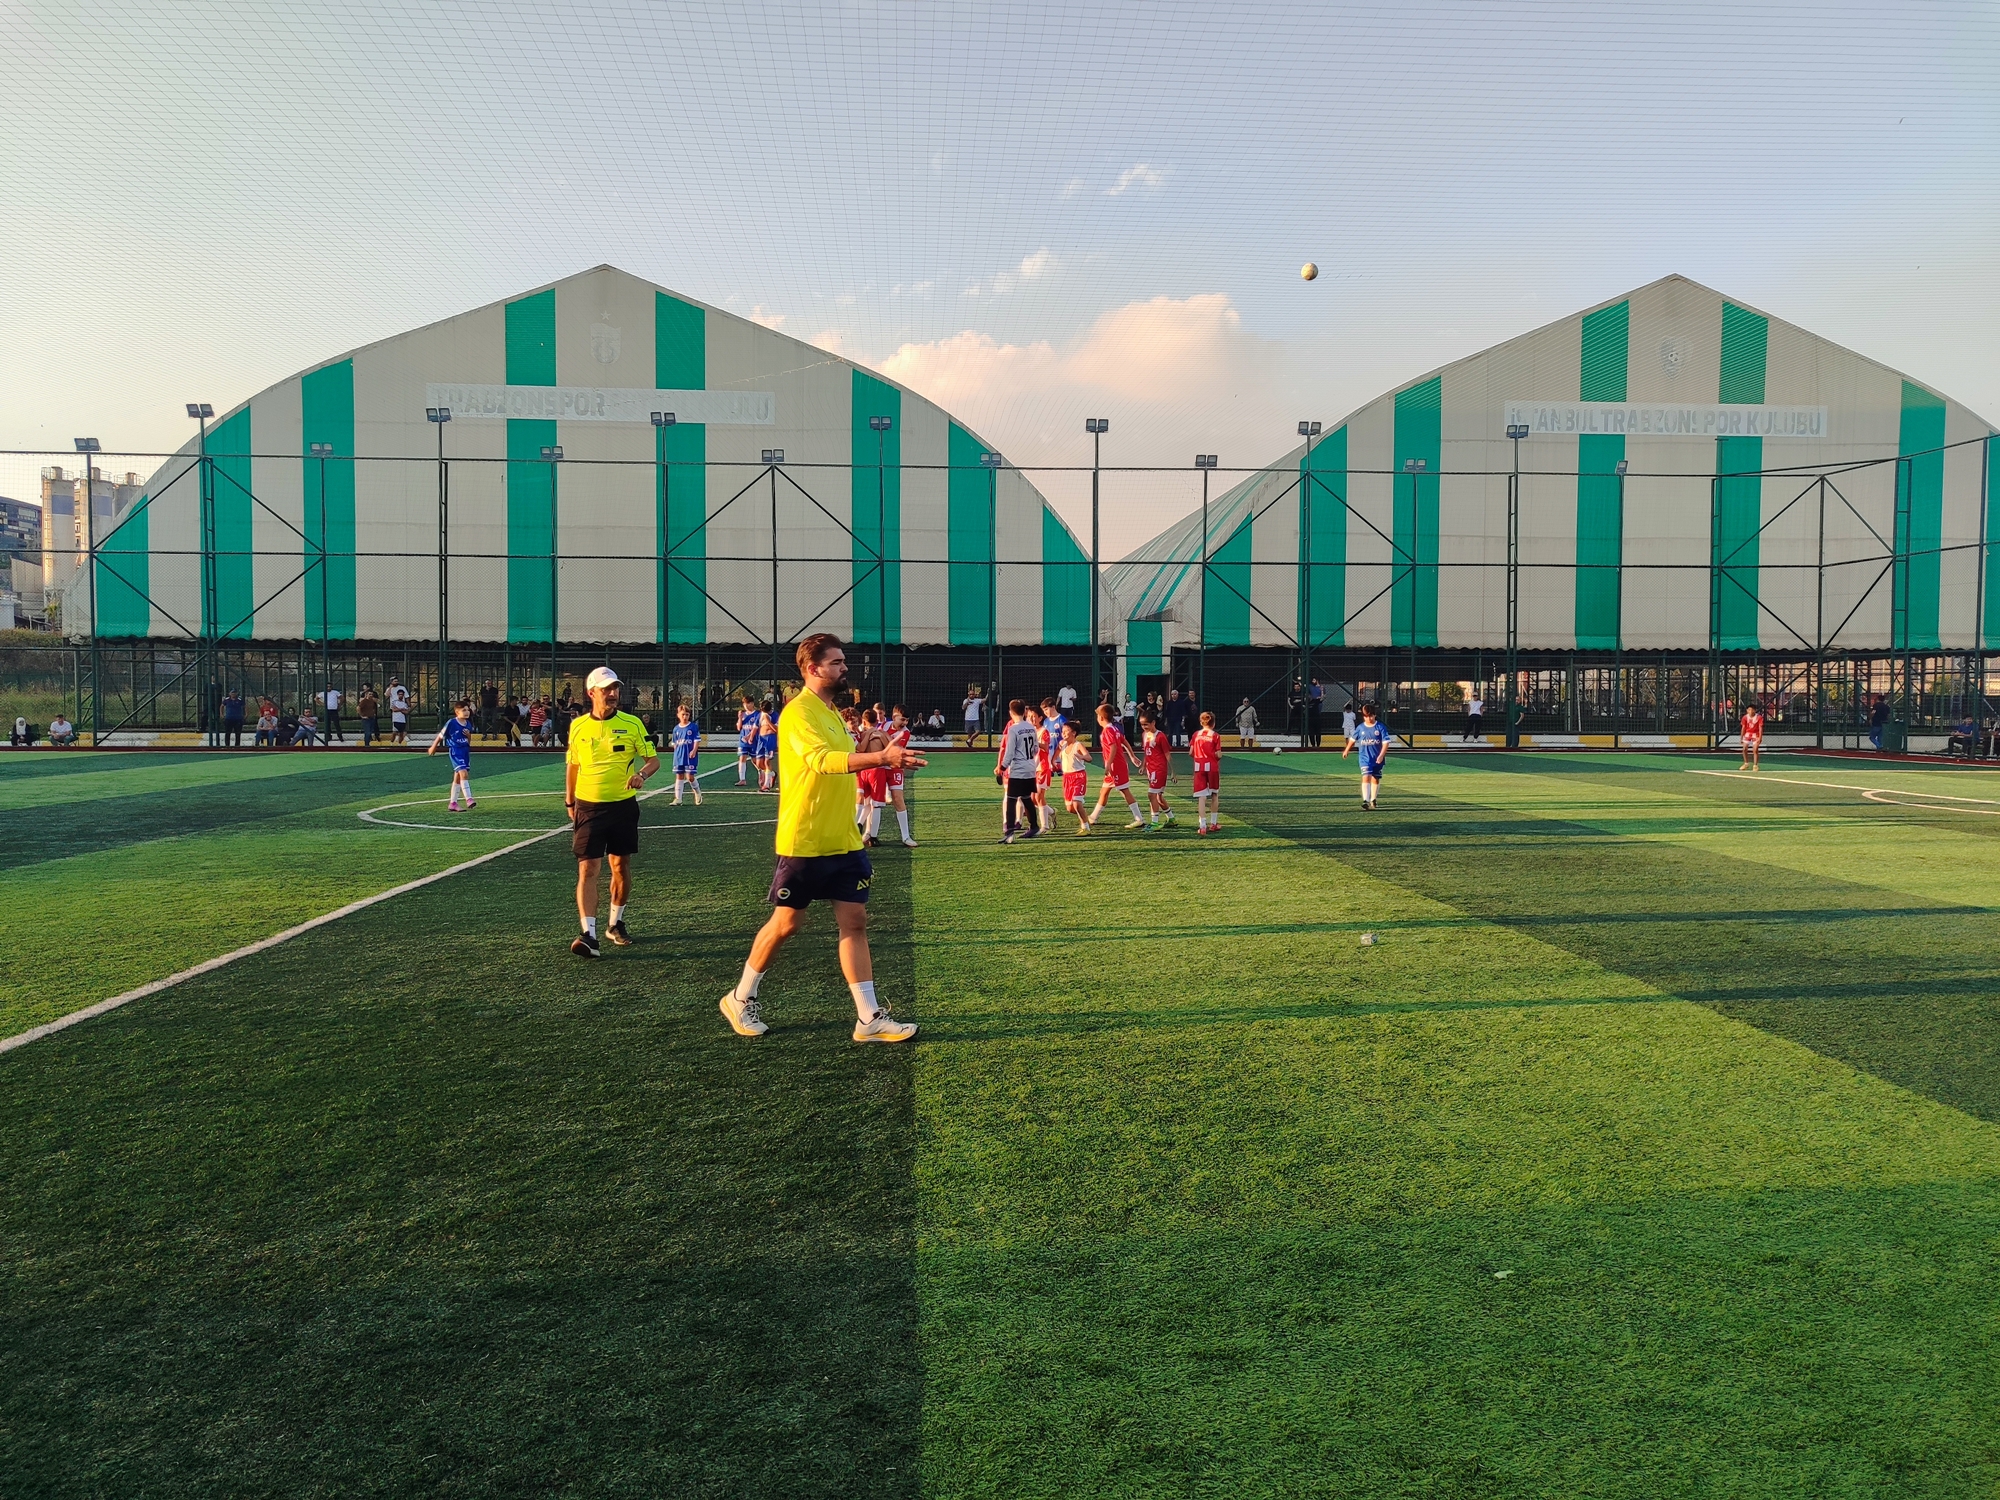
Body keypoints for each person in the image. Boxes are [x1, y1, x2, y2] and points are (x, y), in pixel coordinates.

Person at [719, 634, 924, 1043]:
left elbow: (844, 756)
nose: (845, 667)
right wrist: (880, 757)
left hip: (844, 839)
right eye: (836, 662)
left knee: (855, 922)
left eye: (843, 661)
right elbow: (821, 761)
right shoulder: (799, 713)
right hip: (807, 838)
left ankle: (868, 1018)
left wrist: (869, 744)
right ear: (813, 669)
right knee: (786, 923)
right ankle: (740, 997)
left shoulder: (831, 713)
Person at [564, 666, 660, 957]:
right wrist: (569, 802)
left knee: (620, 866)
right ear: (591, 693)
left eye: (615, 688)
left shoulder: (632, 724)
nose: (612, 693)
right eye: (606, 689)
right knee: (588, 868)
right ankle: (589, 935)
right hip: (588, 806)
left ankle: (615, 923)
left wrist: (641, 775)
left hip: (622, 807)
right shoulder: (578, 726)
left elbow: (653, 760)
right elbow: (573, 766)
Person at [1088, 702, 1145, 829]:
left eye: (1098, 715)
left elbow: (1113, 747)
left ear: (1101, 718)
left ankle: (1139, 819)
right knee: (1104, 791)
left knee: (1124, 791)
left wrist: (1108, 764)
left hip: (1116, 767)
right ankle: (1093, 817)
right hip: (1116, 766)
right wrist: (1132, 756)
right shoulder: (1114, 728)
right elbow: (1124, 741)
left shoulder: (1108, 730)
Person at [996, 699, 1042, 843]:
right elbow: (1036, 748)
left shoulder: (1013, 729)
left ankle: (1009, 833)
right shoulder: (1031, 727)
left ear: (1011, 712)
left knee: (1011, 799)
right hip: (1030, 767)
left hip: (1019, 769)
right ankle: (1034, 826)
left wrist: (1001, 768)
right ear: (1024, 712)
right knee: (1026, 797)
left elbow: (1009, 752)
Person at [428, 699, 477, 810]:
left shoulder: (468, 724)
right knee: (464, 774)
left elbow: (468, 742)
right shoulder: (452, 723)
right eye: (464, 710)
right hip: (456, 751)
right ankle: (469, 799)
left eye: (468, 710)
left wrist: (469, 736)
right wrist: (433, 746)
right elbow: (441, 735)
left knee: (458, 777)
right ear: (457, 712)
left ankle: (453, 803)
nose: (467, 712)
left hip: (465, 751)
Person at [883, 705, 918, 847]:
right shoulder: (883, 726)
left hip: (895, 768)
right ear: (894, 716)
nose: (905, 723)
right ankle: (868, 834)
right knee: (871, 802)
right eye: (902, 719)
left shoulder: (905, 732)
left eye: (907, 720)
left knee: (898, 799)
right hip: (879, 767)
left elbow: (896, 750)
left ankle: (906, 836)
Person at [1344, 701, 1389, 809]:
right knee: (1366, 777)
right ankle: (1366, 800)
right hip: (1364, 758)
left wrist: (1381, 755)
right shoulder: (1360, 728)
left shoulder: (1380, 727)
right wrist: (1346, 750)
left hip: (1377, 758)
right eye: (1366, 716)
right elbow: (1352, 740)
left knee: (1375, 779)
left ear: (1375, 715)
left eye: (1371, 716)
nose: (1369, 718)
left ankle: (1373, 799)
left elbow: (1386, 743)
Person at [1139, 710, 1175, 829]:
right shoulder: (1144, 735)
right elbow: (1147, 752)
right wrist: (1143, 766)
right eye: (1142, 724)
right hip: (1151, 770)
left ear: (1153, 723)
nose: (1144, 727)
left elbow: (1167, 754)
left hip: (1159, 770)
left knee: (1151, 795)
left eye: (1146, 724)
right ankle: (1171, 818)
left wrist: (1173, 772)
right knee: (1158, 797)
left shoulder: (1160, 736)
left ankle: (1155, 822)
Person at [1057, 721, 1093, 834]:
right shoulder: (1063, 745)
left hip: (1078, 776)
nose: (1063, 733)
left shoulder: (1078, 745)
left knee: (1076, 803)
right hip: (1067, 777)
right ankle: (1084, 816)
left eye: (1066, 731)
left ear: (1074, 733)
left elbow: (1089, 757)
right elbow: (1060, 754)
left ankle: (1085, 827)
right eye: (1062, 731)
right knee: (1070, 808)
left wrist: (1082, 756)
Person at [1191, 710, 1222, 834]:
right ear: (1213, 723)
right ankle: (1213, 824)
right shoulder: (1215, 735)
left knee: (1201, 797)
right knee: (1214, 794)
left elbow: (1191, 752)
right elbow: (1218, 754)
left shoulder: (1196, 735)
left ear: (1201, 722)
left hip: (1199, 767)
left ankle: (1202, 826)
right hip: (1212, 767)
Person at [669, 703, 703, 804]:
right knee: (679, 776)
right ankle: (678, 798)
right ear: (678, 715)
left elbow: (697, 740)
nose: (685, 717)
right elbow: (675, 743)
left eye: (687, 715)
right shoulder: (676, 729)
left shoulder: (693, 727)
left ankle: (697, 792)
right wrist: (676, 754)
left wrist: (694, 751)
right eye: (683, 714)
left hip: (690, 756)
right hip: (679, 756)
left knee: (690, 777)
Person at [755, 698, 779, 792]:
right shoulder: (760, 714)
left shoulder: (775, 715)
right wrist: (751, 736)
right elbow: (756, 726)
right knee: (759, 763)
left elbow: (776, 729)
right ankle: (772, 774)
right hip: (761, 739)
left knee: (767, 762)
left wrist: (768, 721)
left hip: (770, 738)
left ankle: (766, 785)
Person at [736, 694, 758, 784]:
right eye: (744, 704)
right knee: (742, 757)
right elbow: (739, 728)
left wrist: (749, 736)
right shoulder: (743, 714)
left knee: (755, 760)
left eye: (748, 703)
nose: (746, 706)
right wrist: (740, 718)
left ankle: (764, 773)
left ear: (752, 704)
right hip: (743, 741)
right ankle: (742, 779)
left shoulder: (757, 714)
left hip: (754, 741)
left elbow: (757, 728)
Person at [1739, 700, 1765, 771]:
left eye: (1752, 710)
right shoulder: (1745, 717)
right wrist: (1741, 737)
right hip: (1747, 734)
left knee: (1755, 749)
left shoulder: (1759, 717)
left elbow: (1760, 728)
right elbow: (1743, 727)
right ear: (1747, 710)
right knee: (1744, 749)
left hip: (1756, 735)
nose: (1751, 711)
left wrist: (1760, 737)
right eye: (1749, 709)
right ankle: (1746, 763)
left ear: (1755, 710)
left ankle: (1755, 765)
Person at [388, 678, 411, 744]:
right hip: (396, 718)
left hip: (402, 718)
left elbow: (406, 711)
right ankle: (391, 743)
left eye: (397, 681)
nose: (396, 682)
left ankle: (400, 743)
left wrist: (408, 706)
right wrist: (401, 709)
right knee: (394, 731)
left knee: (401, 732)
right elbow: (394, 709)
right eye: (394, 681)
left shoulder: (402, 688)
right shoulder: (394, 701)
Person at [1308, 678, 1325, 748]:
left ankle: (1318, 745)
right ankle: (1313, 744)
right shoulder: (1308, 702)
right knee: (1311, 732)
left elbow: (1322, 698)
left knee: (1318, 732)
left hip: (1317, 717)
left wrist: (1322, 691)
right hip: (1310, 718)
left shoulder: (1317, 701)